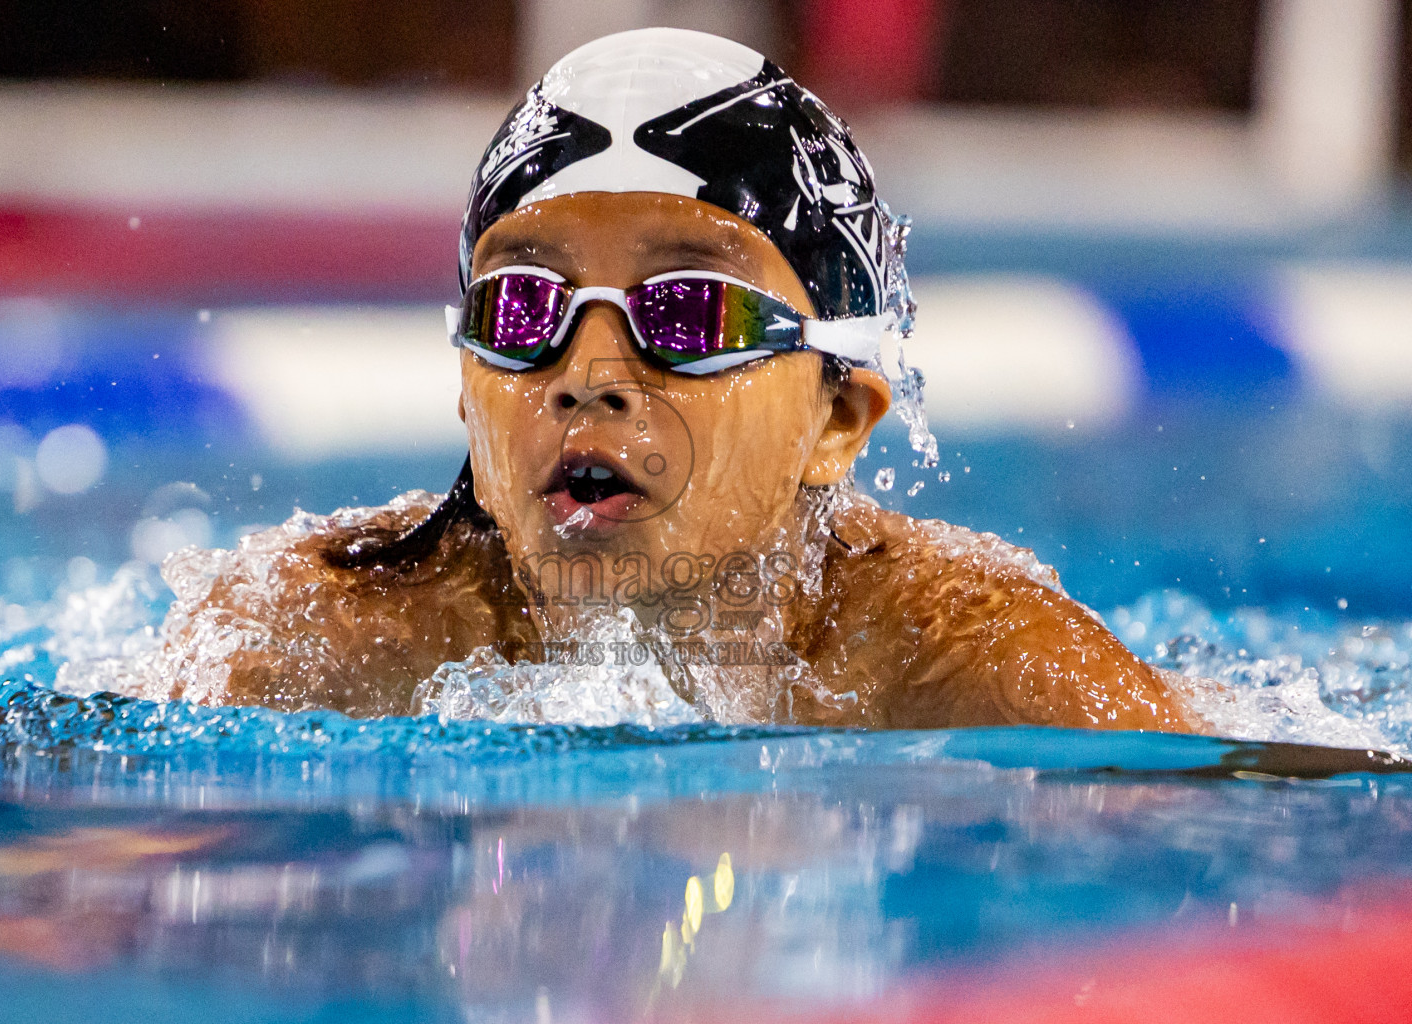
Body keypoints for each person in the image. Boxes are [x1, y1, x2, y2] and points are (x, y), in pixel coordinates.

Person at [148, 28, 1193, 732]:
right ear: (468, 384)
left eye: (686, 312)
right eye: (524, 310)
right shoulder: (317, 638)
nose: (588, 377)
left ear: (838, 417)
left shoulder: (970, 664)